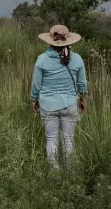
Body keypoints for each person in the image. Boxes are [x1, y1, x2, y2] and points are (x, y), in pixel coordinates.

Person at [31, 24, 88, 168]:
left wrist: (34, 99)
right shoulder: (77, 59)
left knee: (51, 140)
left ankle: (54, 173)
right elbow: (82, 84)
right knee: (68, 140)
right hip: (69, 104)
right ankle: (68, 172)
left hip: (48, 105)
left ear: (50, 41)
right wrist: (82, 99)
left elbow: (36, 84)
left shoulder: (42, 59)